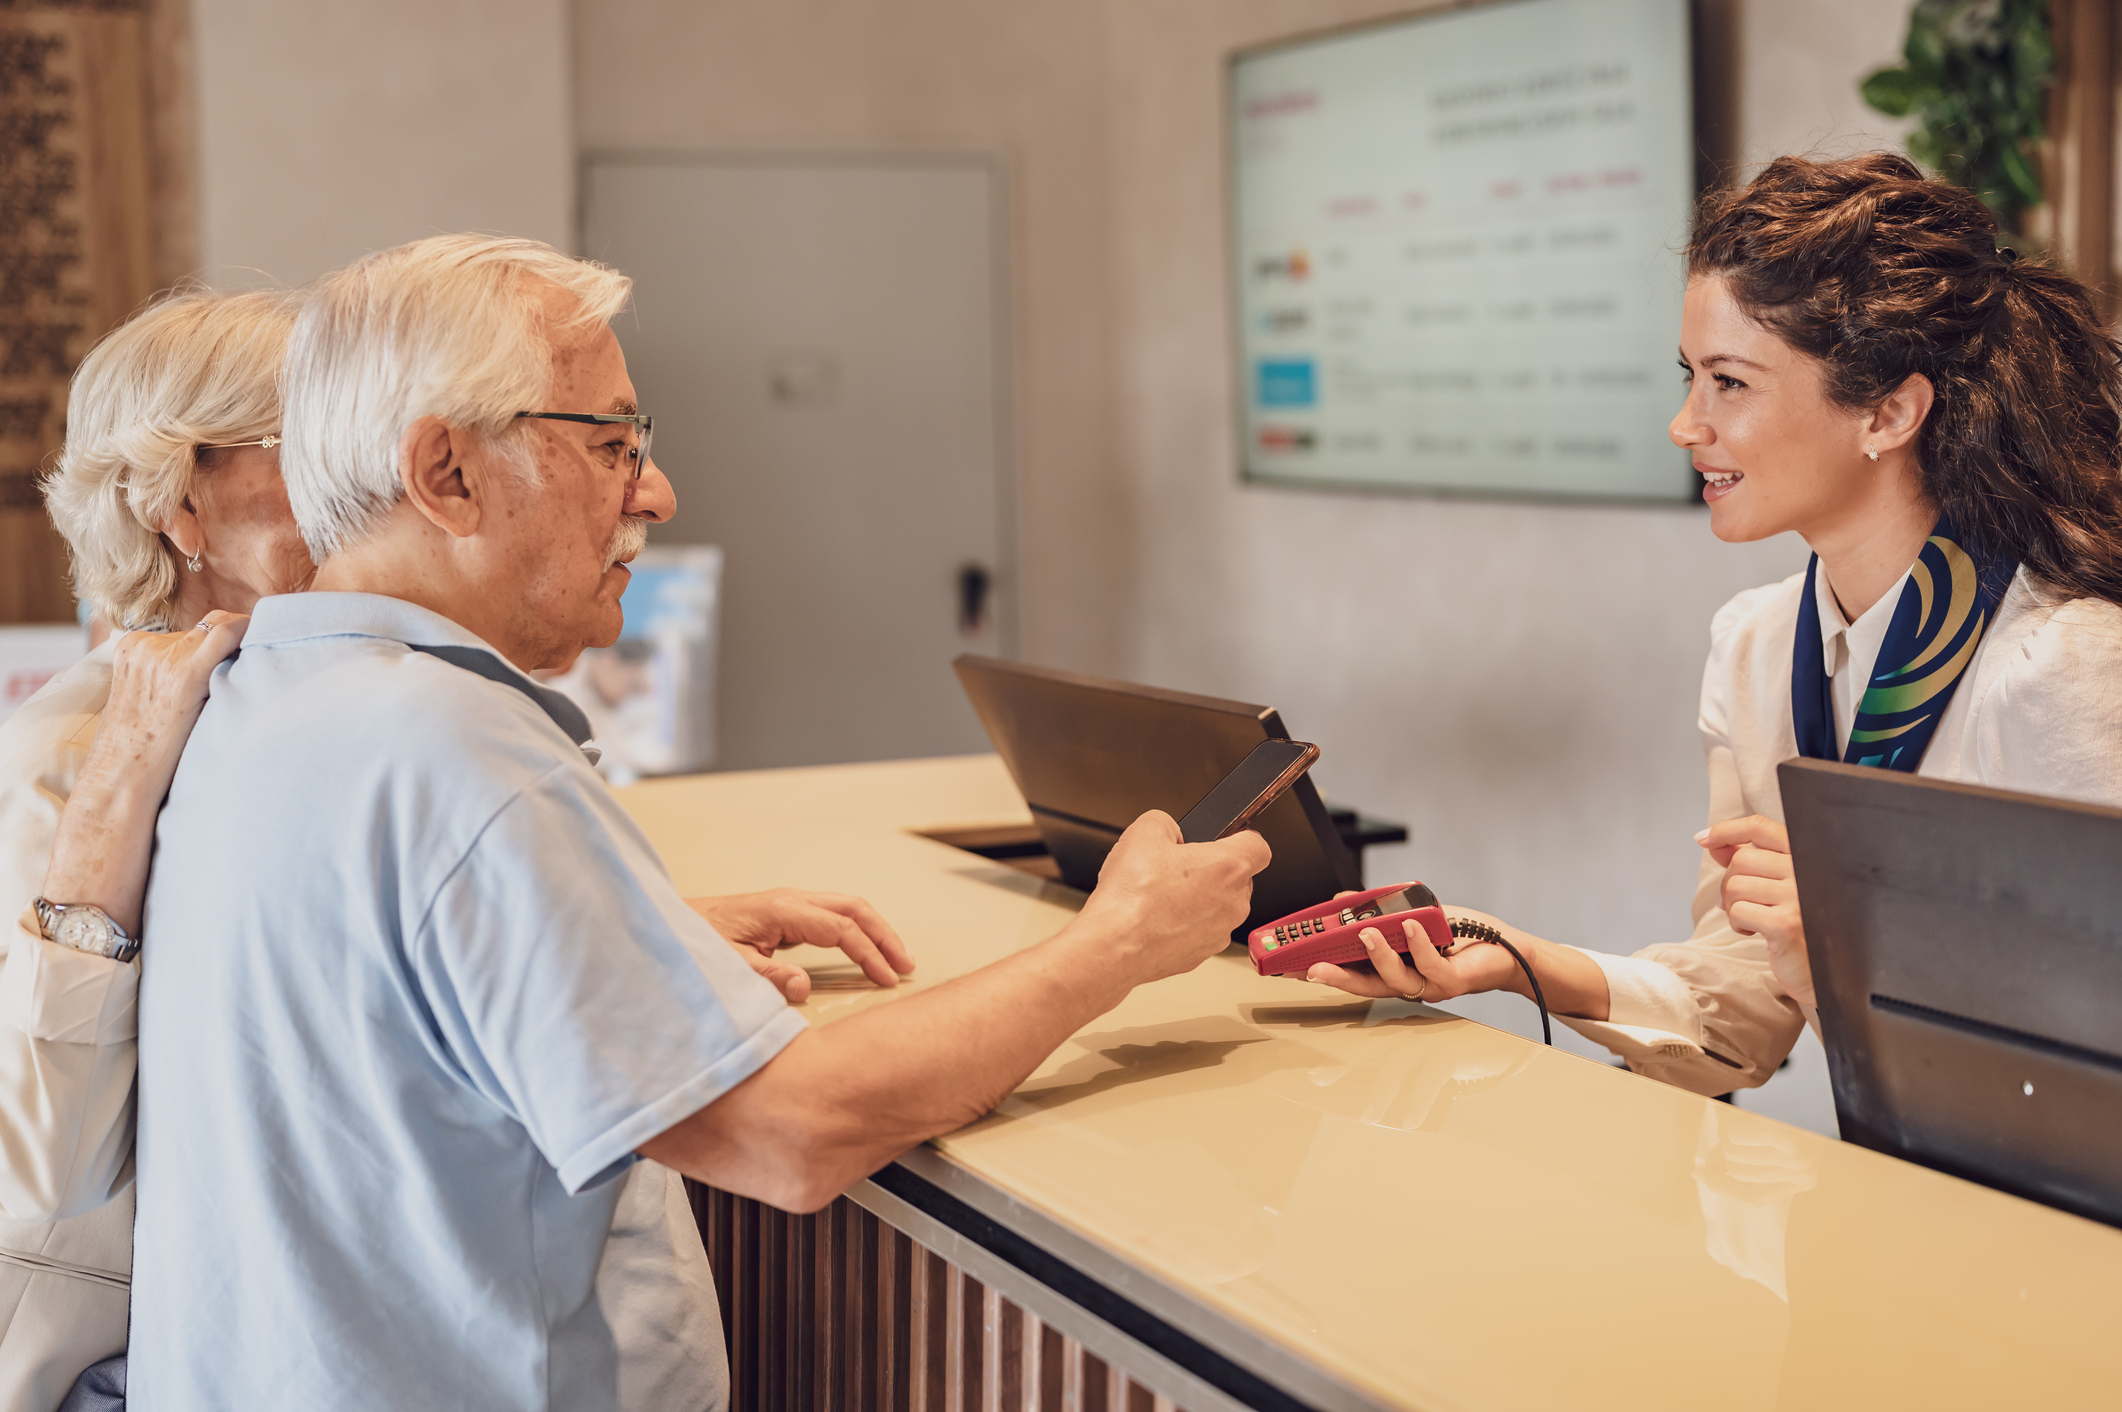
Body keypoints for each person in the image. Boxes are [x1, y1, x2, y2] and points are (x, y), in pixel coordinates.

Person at [126, 233, 1269, 1411]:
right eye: (613, 445)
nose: (656, 494)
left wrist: (633, 936)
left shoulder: (259, 700)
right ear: (447, 473)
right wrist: (1121, 939)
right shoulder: (457, 752)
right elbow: (791, 1132)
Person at [6, 289, 914, 1412]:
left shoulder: (329, 697)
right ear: (180, 497)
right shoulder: (83, 752)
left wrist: (617, 934)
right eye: (315, 444)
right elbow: (53, 1149)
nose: (367, 476)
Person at [1303, 153, 2122, 1096]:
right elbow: (1743, 1009)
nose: (1685, 424)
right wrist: (1508, 955)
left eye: (1728, 383)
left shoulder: (2061, 666)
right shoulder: (1758, 648)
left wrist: (1845, 946)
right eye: (1690, 376)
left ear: (1890, 412)